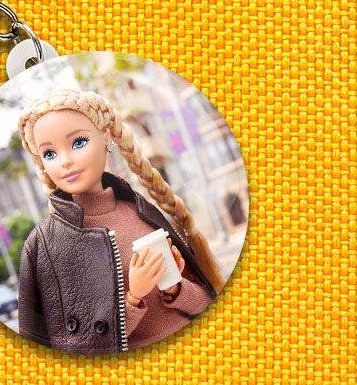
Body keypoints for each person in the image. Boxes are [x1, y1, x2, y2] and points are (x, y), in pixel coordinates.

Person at [15, 89, 224, 353]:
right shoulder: (45, 246)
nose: (65, 161)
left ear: (106, 139)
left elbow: (206, 300)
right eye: (49, 154)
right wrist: (133, 297)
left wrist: (174, 287)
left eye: (78, 142)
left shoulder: (140, 210)